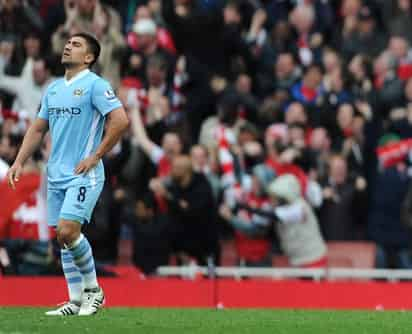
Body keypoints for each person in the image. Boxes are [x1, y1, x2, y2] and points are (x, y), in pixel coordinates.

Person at [6, 32, 129, 316]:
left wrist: (95, 156)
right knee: (63, 238)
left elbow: (120, 120)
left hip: (84, 173)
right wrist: (19, 161)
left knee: (68, 230)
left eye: (76, 45)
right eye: (68, 42)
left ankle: (95, 292)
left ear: (89, 57)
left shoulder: (96, 85)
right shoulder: (53, 88)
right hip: (56, 173)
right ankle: (75, 301)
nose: (68, 46)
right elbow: (38, 129)